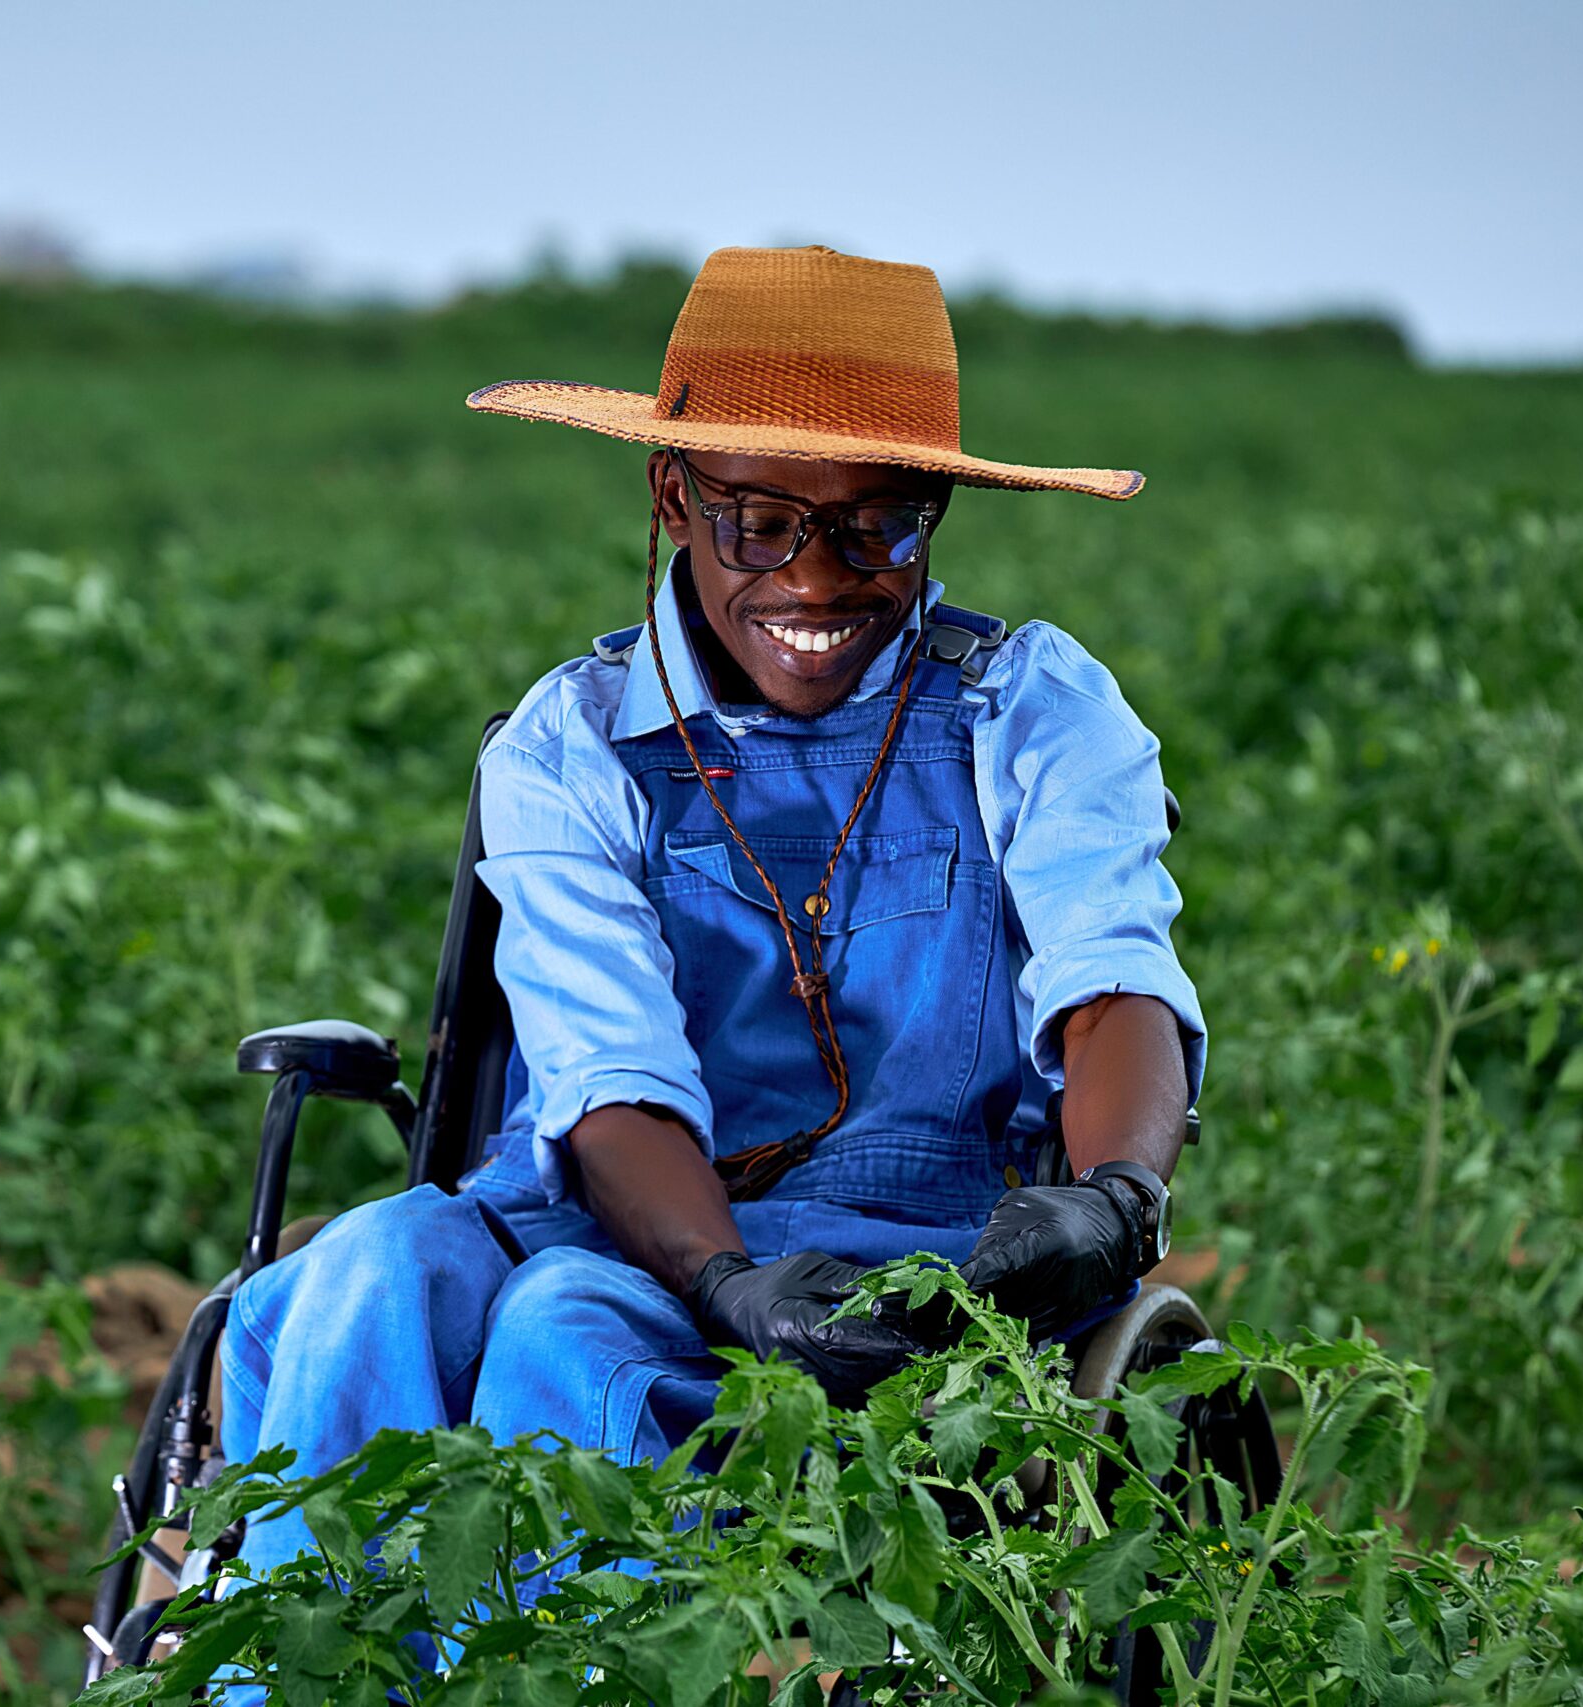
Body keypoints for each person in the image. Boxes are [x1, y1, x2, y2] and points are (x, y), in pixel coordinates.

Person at [219, 245, 1203, 1582]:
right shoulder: (573, 743)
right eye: (760, 521)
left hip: (914, 1258)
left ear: (936, 517)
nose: (816, 580)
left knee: (564, 1329)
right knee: (359, 1271)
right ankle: (290, 1667)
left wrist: (1115, 1198)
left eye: (879, 524)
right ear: (672, 495)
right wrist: (723, 1284)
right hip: (617, 1214)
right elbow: (608, 1073)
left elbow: (1111, 983)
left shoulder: (1024, 710)